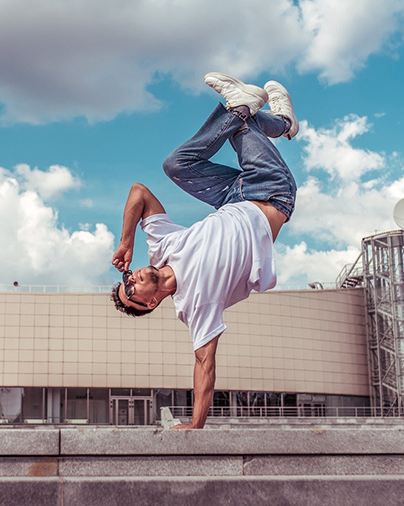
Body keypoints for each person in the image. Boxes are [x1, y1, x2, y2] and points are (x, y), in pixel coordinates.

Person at [110, 72, 299, 429]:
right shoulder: (195, 306)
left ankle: (281, 123)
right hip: (273, 193)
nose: (132, 278)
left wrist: (126, 241)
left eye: (126, 278)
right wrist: (196, 425)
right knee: (240, 120)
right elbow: (204, 364)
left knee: (176, 165)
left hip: (232, 196)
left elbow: (139, 192)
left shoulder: (162, 248)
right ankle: (265, 117)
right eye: (132, 290)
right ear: (150, 303)